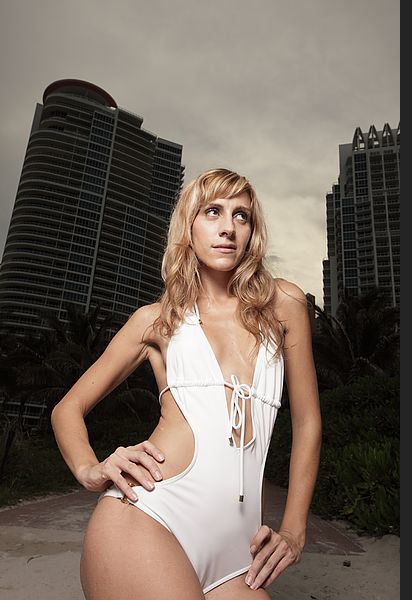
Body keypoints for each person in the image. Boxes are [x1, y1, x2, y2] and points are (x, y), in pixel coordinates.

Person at [51, 168, 321, 600]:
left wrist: (294, 529)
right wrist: (89, 469)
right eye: (213, 212)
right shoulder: (157, 321)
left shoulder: (284, 304)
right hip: (149, 519)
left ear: (252, 231)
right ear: (189, 227)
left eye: (242, 216)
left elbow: (308, 424)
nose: (228, 227)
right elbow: (67, 409)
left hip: (238, 558)